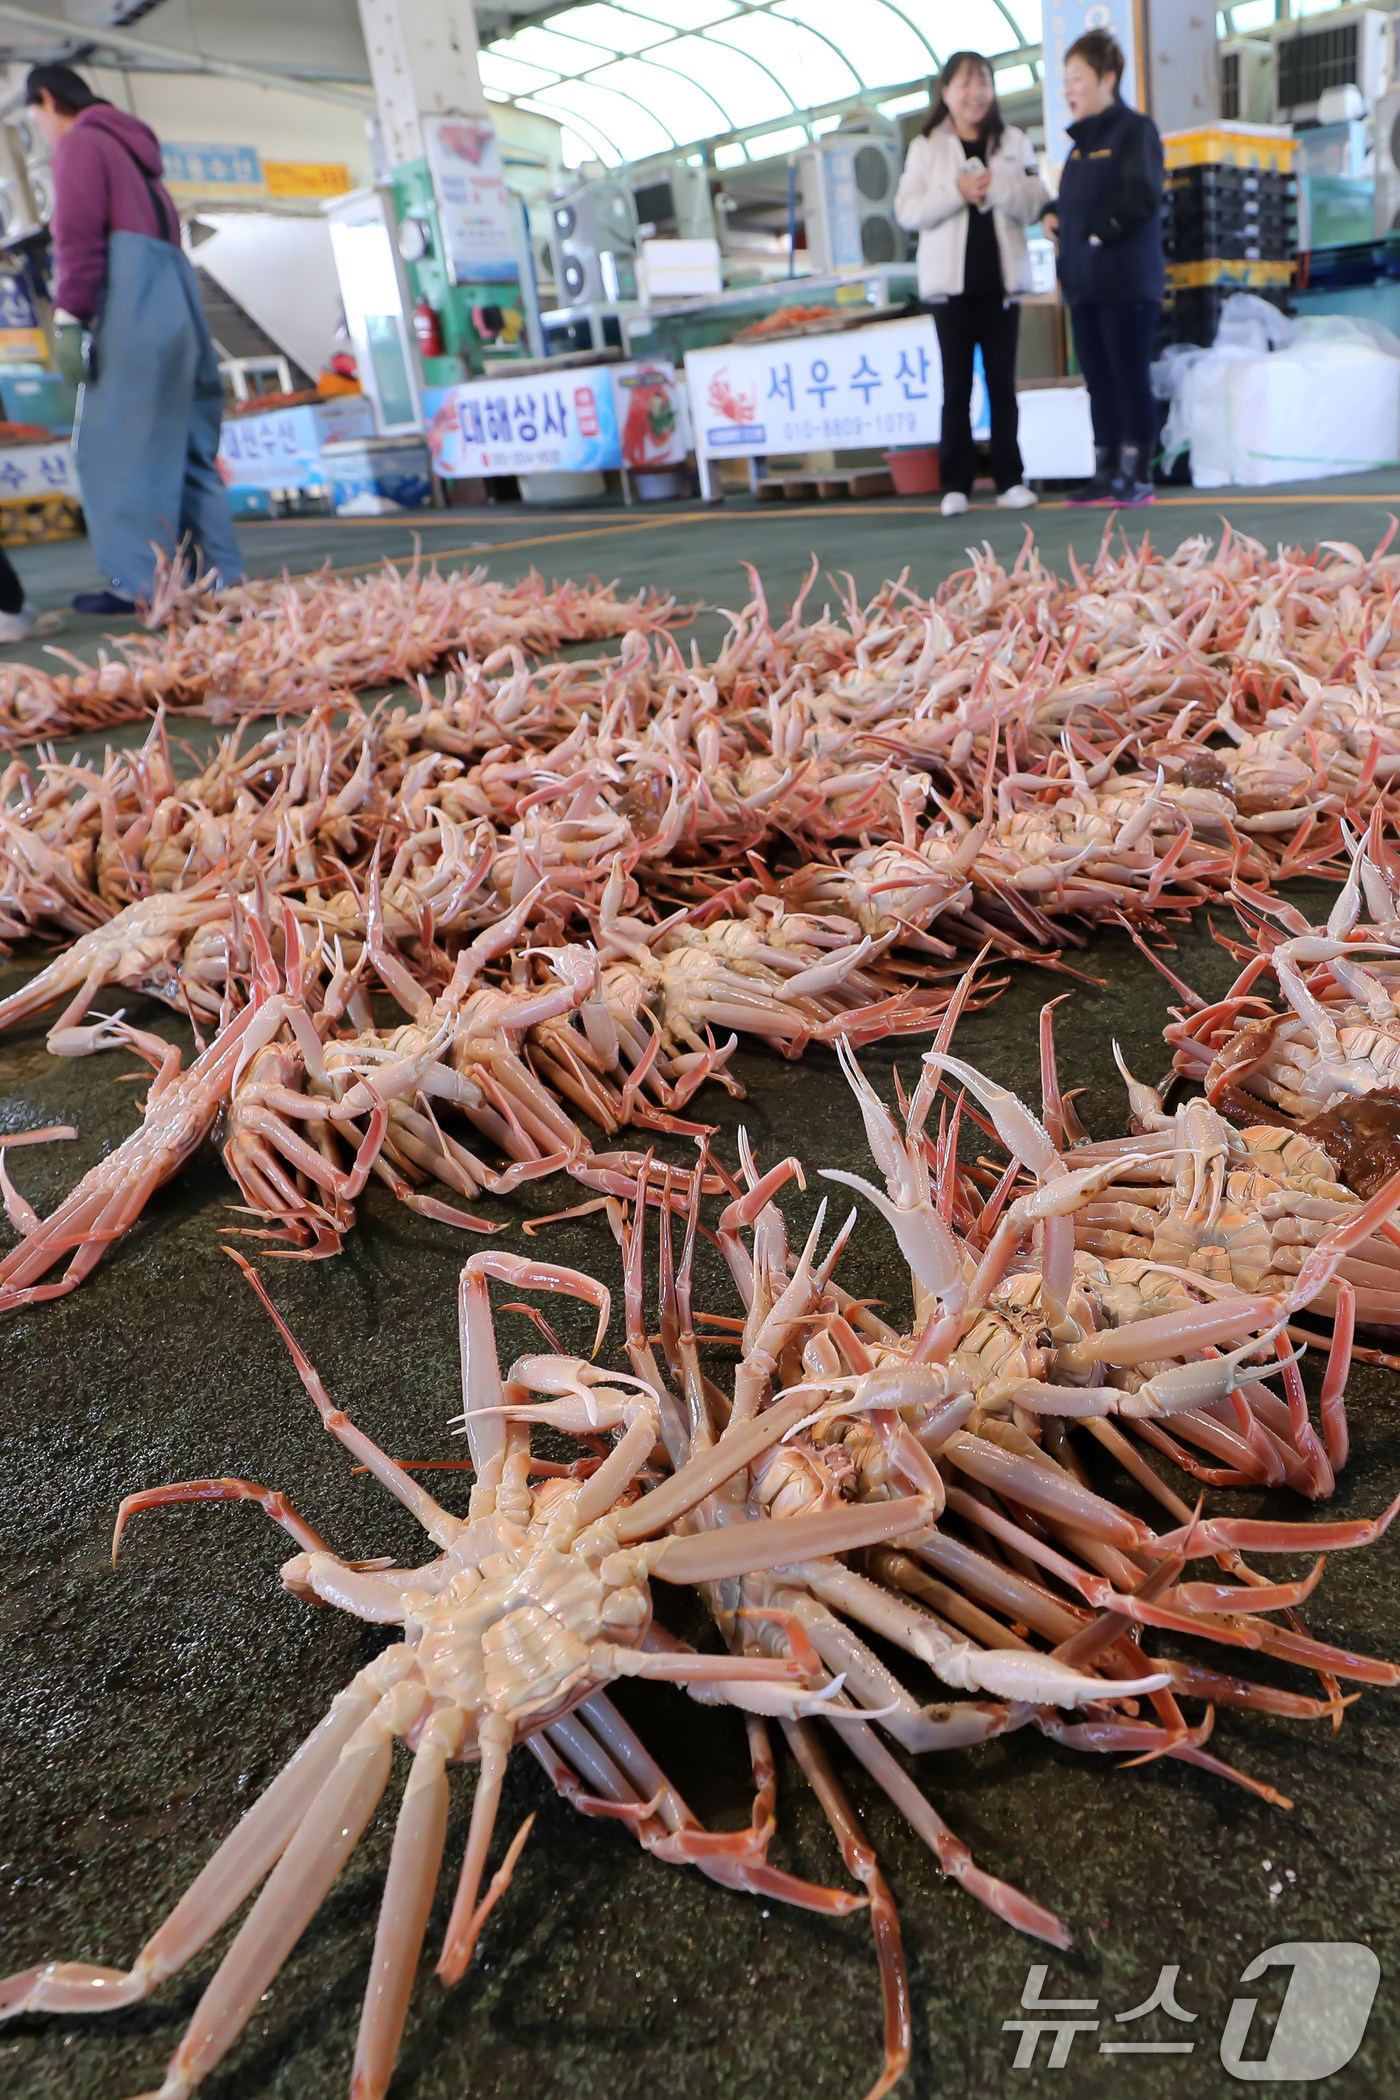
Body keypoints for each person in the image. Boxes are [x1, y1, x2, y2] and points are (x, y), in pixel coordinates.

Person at [26, 63, 244, 615]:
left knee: (119, 451)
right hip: (180, 305)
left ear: (48, 100)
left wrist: (71, 316)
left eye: (34, 116)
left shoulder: (80, 147)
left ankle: (140, 585)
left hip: (134, 308)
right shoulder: (139, 160)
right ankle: (222, 577)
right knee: (190, 448)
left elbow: (77, 237)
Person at [894, 52, 1049, 518]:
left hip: (1001, 285)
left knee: (1003, 385)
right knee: (956, 385)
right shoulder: (926, 147)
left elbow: (1035, 202)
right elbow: (907, 211)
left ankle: (1010, 479)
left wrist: (994, 185)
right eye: (964, 84)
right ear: (945, 94)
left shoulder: (1014, 141)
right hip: (949, 287)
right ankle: (956, 484)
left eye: (983, 82)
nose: (975, 93)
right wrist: (956, 193)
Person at [1043, 30, 1164, 506]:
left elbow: (1141, 195)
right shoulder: (1077, 148)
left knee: (1128, 373)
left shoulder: (1135, 131)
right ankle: (1106, 466)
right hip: (1085, 285)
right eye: (1066, 79)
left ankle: (1138, 470)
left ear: (1108, 77)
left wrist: (1096, 229)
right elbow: (1075, 201)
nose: (1069, 88)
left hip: (1126, 281)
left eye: (1078, 77)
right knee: (1097, 379)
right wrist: (1054, 214)